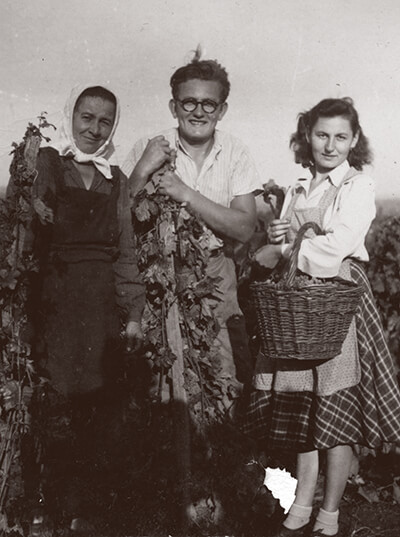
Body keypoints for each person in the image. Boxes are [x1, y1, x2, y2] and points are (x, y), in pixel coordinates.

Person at [246, 98, 400, 537]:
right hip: (299, 308)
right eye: (321, 135)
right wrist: (278, 235)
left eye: (340, 137)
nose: (329, 145)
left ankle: (329, 511)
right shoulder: (299, 186)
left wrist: (284, 247)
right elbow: (288, 243)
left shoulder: (356, 186)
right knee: (303, 404)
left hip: (336, 304)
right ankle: (302, 500)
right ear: (306, 137)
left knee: (334, 404)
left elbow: (339, 245)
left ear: (354, 140)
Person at [24, 84, 145, 533]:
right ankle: (45, 508)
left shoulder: (117, 180)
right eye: (86, 117)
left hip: (99, 311)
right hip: (56, 304)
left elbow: (126, 254)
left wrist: (132, 315)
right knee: (52, 406)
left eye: (105, 121)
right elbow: (29, 239)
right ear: (70, 115)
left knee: (96, 413)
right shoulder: (48, 165)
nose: (94, 129)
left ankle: (84, 513)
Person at [122, 54, 262, 409]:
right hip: (160, 278)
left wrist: (186, 194)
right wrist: (141, 171)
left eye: (208, 104)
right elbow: (118, 216)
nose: (198, 112)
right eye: (189, 102)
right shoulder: (149, 147)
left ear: (222, 109)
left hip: (217, 276)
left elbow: (245, 228)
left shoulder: (235, 153)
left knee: (223, 375)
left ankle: (217, 458)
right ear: (174, 106)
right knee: (161, 378)